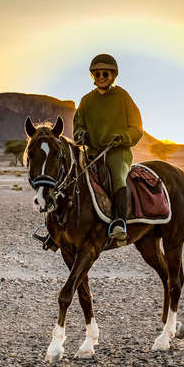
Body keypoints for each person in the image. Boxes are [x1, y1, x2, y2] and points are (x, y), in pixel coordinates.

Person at [73, 54, 143, 242]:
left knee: (117, 177)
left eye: (105, 73)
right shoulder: (86, 100)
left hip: (117, 151)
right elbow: (78, 124)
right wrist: (80, 135)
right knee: (71, 177)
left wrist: (123, 137)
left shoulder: (122, 97)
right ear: (92, 76)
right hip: (93, 152)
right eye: (97, 74)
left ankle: (119, 222)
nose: (101, 77)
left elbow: (137, 128)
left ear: (113, 75)